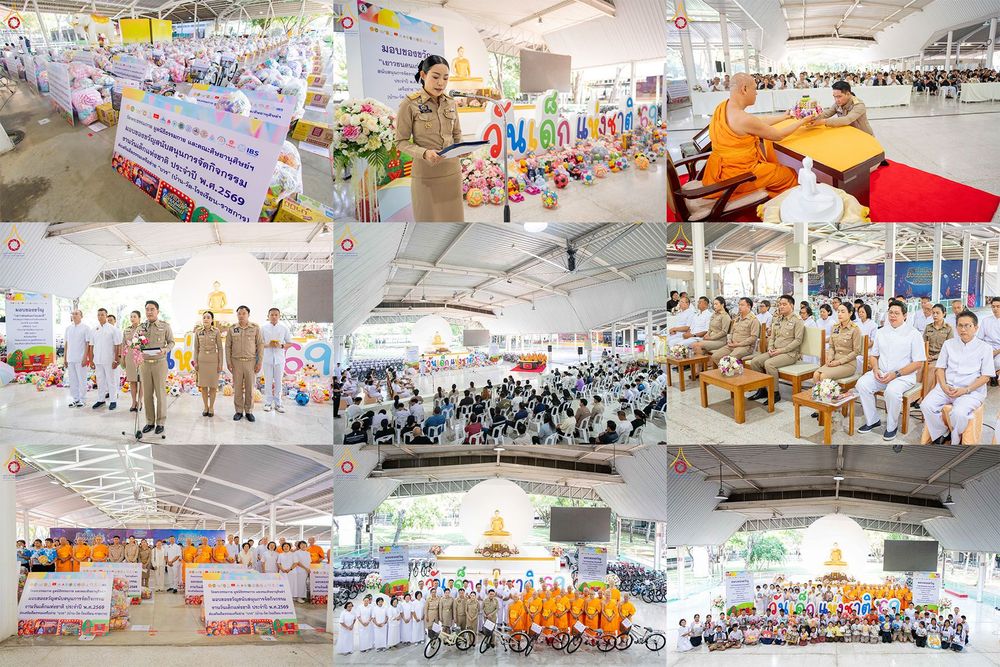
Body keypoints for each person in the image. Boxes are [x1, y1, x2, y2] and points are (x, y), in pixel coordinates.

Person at [701, 73, 813, 199]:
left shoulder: (722, 106)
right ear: (744, 89)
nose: (756, 93)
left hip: (717, 170)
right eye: (754, 88)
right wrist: (803, 121)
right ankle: (784, 204)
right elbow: (778, 135)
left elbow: (757, 123)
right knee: (790, 174)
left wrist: (784, 117)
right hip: (739, 175)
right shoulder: (743, 118)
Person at [394, 55, 464, 222]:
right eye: (435, 77)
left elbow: (457, 133)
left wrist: (463, 148)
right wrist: (425, 153)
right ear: (423, 75)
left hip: (452, 173)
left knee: (453, 220)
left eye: (446, 78)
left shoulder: (451, 103)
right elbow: (400, 142)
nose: (441, 83)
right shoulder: (409, 104)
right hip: (426, 176)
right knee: (428, 221)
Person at [922, 310, 995, 444]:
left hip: (971, 391)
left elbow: (985, 377)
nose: (963, 329)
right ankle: (942, 432)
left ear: (976, 328)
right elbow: (940, 369)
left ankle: (956, 438)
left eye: (968, 326)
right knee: (926, 405)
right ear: (956, 327)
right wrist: (943, 386)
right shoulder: (949, 344)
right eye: (960, 326)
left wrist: (966, 390)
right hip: (946, 387)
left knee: (959, 414)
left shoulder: (985, 348)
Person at [857, 300, 926, 440]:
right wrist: (875, 369)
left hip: (903, 376)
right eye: (891, 313)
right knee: (861, 384)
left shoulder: (913, 334)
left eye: (897, 313)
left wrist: (896, 374)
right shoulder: (881, 332)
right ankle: (873, 420)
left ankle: (891, 426)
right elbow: (874, 355)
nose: (893, 316)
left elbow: (918, 363)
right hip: (881, 373)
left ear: (905, 315)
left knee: (892, 392)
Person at [806, 81, 890, 167]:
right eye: (834, 97)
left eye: (839, 96)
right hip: (848, 134)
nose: (836, 99)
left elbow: (847, 120)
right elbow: (827, 113)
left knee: (865, 164)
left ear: (848, 94)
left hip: (863, 137)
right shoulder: (838, 103)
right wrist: (814, 118)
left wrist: (823, 122)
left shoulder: (858, 105)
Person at [749, 294, 804, 404]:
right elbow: (772, 337)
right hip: (775, 351)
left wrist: (781, 350)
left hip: (790, 354)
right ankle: (762, 389)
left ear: (792, 305)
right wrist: (770, 348)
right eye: (780, 305)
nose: (781, 307)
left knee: (769, 364)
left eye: (784, 304)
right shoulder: (778, 319)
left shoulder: (797, 320)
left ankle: (775, 393)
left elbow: (798, 341)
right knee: (755, 362)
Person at [139, 300, 174, 435]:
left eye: (152, 309)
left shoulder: (165, 326)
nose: (149, 312)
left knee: (160, 394)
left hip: (160, 363)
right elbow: (135, 344)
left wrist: (166, 349)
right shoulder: (141, 327)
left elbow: (171, 341)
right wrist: (136, 349)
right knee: (147, 394)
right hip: (145, 364)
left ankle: (160, 422)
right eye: (147, 309)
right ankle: (149, 422)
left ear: (157, 311)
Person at [226, 305, 263, 422]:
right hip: (236, 362)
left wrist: (259, 362)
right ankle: (238, 410)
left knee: (250, 388)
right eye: (239, 314)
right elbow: (228, 347)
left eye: (244, 313)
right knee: (237, 388)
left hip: (251, 362)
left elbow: (260, 346)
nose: (241, 316)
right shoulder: (232, 329)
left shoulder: (255, 328)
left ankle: (249, 411)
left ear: (248, 315)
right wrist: (228, 362)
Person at [86, 308, 122, 410]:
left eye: (102, 315)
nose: (100, 317)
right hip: (98, 360)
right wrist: (91, 360)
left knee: (111, 381)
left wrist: (116, 360)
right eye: (98, 315)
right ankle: (101, 400)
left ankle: (113, 400)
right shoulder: (94, 330)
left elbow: (117, 345)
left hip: (109, 360)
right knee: (100, 380)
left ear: (106, 316)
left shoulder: (113, 329)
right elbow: (91, 346)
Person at [710, 297, 761, 365]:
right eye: (739, 305)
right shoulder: (737, 319)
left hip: (745, 347)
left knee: (730, 358)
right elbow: (731, 332)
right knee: (715, 356)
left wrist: (738, 344)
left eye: (742, 305)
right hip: (732, 345)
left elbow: (753, 338)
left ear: (749, 306)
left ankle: (731, 371)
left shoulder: (753, 320)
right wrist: (729, 340)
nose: (739, 307)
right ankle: (727, 371)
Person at [261, 307, 293, 412]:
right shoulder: (263, 328)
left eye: (276, 315)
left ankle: (278, 403)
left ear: (279, 316)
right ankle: (268, 402)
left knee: (279, 381)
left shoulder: (284, 328)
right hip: (267, 358)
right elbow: (259, 344)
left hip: (279, 358)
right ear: (268, 316)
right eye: (272, 315)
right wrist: (268, 344)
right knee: (268, 381)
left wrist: (282, 345)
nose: (274, 316)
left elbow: (289, 342)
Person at [193, 310, 223, 417]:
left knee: (213, 386)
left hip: (213, 361)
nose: (206, 319)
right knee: (204, 386)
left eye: (208, 317)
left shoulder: (216, 331)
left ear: (212, 320)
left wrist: (220, 363)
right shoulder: (198, 331)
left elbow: (220, 348)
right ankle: (205, 406)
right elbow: (195, 348)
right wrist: (195, 362)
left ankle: (211, 407)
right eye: (204, 317)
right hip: (202, 361)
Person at [63, 309, 92, 408]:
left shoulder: (86, 328)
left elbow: (88, 343)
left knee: (82, 380)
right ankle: (75, 399)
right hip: (70, 358)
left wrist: (85, 358)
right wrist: (65, 358)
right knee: (72, 380)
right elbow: (66, 344)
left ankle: (82, 399)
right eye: (73, 314)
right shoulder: (68, 328)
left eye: (76, 314)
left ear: (81, 316)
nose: (74, 315)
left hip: (80, 359)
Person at [977, 295, 1000, 385]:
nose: (995, 309)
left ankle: (994, 374)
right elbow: (979, 338)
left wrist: (996, 352)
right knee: (980, 360)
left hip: (999, 349)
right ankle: (992, 375)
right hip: (987, 347)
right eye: (993, 306)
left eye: (998, 306)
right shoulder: (986, 320)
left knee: (997, 362)